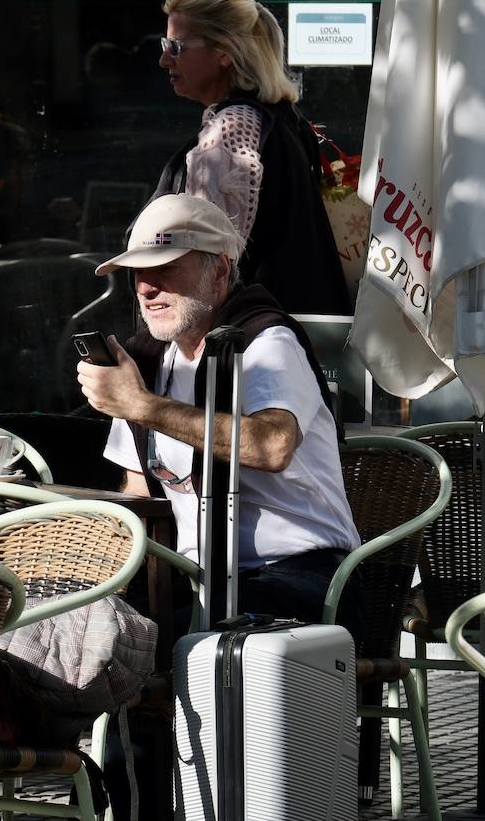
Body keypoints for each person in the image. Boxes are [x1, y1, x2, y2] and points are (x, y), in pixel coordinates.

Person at [77, 194, 361, 629]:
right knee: (80, 627)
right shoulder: (147, 362)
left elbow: (272, 445)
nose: (146, 288)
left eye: (165, 268)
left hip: (303, 575)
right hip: (196, 580)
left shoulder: (265, 342)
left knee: (163, 638)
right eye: (138, 273)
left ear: (220, 270)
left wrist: (143, 407)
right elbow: (138, 494)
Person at [153, 0, 351, 315]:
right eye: (164, 46)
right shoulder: (282, 120)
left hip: (246, 344)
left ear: (225, 52)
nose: (164, 61)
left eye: (176, 47)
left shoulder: (230, 131)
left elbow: (205, 269)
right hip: (287, 332)